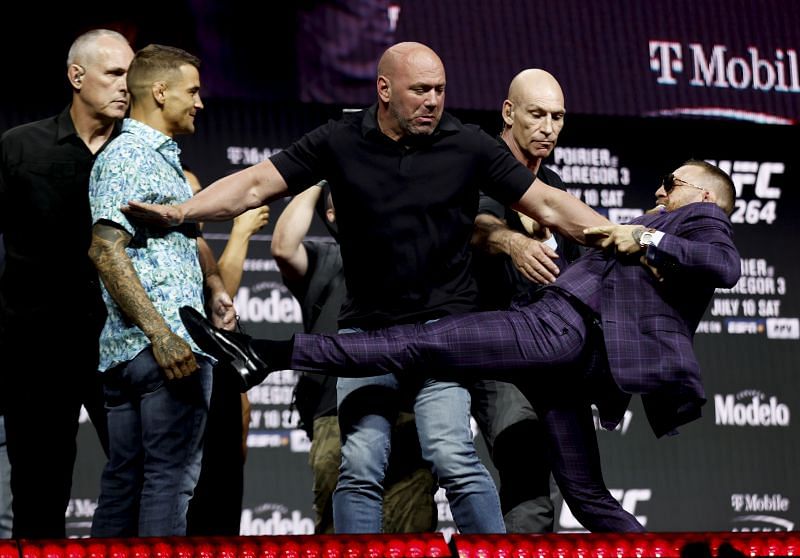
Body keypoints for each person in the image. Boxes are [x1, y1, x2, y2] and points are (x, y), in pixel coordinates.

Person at [124, 41, 610, 534]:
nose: (433, 101)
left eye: (440, 90)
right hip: (366, 335)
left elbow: (548, 204)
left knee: (452, 455)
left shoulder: (466, 143)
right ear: (384, 89)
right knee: (359, 467)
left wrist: (624, 237)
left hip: (444, 331)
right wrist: (183, 212)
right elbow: (254, 185)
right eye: (420, 90)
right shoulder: (340, 139)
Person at [181, 159, 740, 533]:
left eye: (674, 181)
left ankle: (264, 354)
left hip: (559, 330)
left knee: (416, 343)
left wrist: (643, 235)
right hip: (568, 356)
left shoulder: (701, 217)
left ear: (707, 195)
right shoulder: (669, 223)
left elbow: (725, 265)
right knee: (587, 495)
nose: (661, 189)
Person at [87, 44, 236, 537]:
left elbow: (183, 241)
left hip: (135, 351)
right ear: (159, 91)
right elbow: (106, 250)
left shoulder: (157, 161)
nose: (199, 102)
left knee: (126, 482)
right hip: (162, 350)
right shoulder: (131, 156)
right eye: (192, 91)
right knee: (169, 481)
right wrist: (162, 333)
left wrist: (213, 284)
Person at [0, 28, 134, 539]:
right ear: (77, 77)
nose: (127, 86)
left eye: (131, 75)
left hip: (121, 345)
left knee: (141, 481)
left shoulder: (138, 153)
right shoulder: (20, 147)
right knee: (38, 492)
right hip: (35, 347)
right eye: (115, 74)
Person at [271, 182, 437, 533]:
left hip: (408, 412)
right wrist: (319, 181)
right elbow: (284, 248)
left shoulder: (413, 255)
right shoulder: (325, 259)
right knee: (341, 536)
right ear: (333, 215)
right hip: (337, 414)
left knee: (413, 535)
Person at [469, 69, 579, 533]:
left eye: (557, 117)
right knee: (523, 464)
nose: (548, 127)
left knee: (538, 479)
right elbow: (475, 224)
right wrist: (514, 243)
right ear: (509, 112)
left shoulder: (552, 184)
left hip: (543, 353)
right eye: (537, 115)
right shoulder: (476, 163)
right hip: (484, 344)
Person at [183, 167, 269, 536]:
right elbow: (214, 307)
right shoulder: (179, 247)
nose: (201, 201)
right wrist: (242, 232)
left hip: (217, 408)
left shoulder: (196, 246)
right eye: (192, 193)